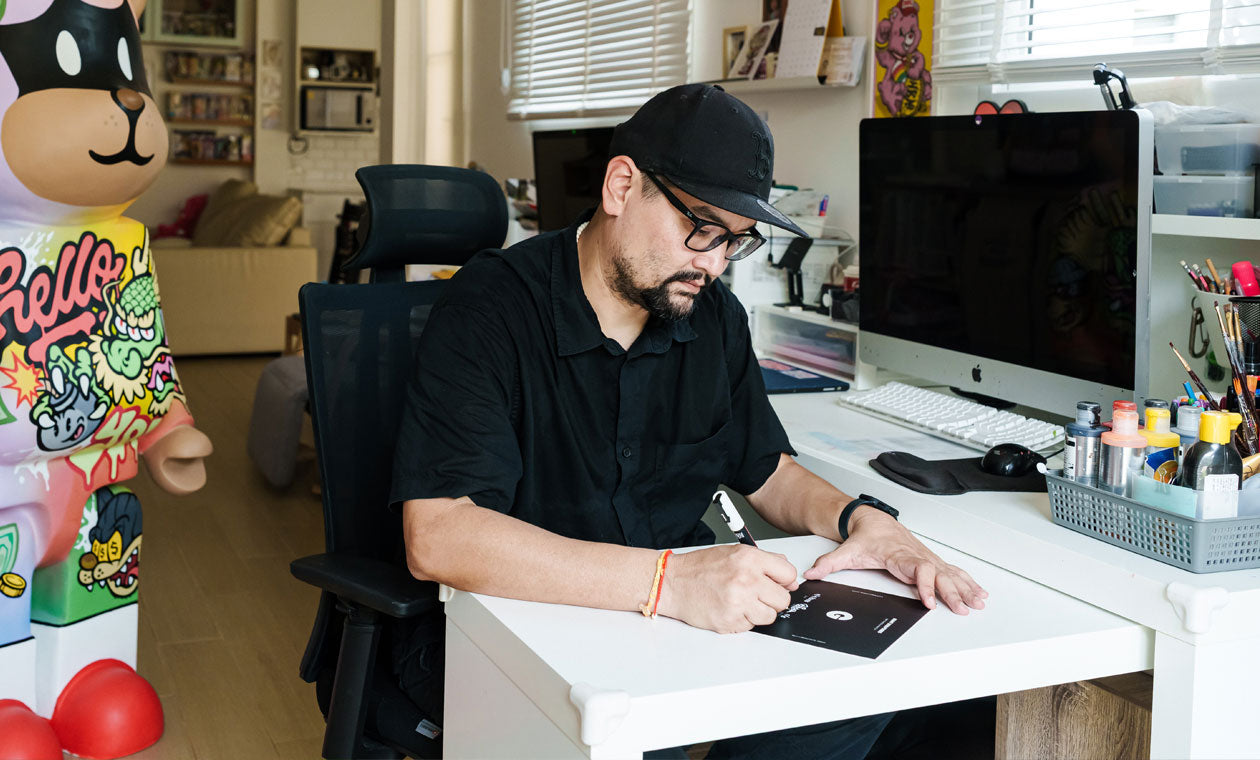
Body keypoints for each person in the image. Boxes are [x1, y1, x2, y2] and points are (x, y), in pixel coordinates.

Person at [390, 84, 990, 759]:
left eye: (735, 242)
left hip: (667, 633)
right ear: (621, 186)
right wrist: (669, 582)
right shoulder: (490, 308)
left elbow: (767, 471)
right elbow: (439, 536)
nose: (711, 263)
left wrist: (865, 523)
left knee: (897, 703)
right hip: (517, 631)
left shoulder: (712, 319)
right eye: (701, 227)